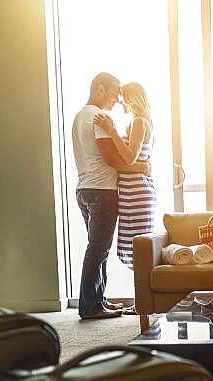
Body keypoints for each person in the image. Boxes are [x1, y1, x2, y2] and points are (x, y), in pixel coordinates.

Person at [71, 72, 149, 320]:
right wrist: (139, 167)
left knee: (99, 248)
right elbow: (111, 157)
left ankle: (98, 300)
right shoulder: (97, 116)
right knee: (98, 248)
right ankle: (90, 306)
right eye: (114, 94)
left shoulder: (79, 116)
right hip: (102, 190)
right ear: (100, 89)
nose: (116, 100)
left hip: (85, 188)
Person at [94, 82, 155, 279]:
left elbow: (130, 157)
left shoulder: (138, 121)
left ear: (131, 100)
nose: (120, 104)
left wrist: (111, 130)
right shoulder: (142, 121)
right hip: (133, 190)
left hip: (136, 191)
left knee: (136, 247)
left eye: (123, 100)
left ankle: (143, 302)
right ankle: (143, 301)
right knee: (133, 246)